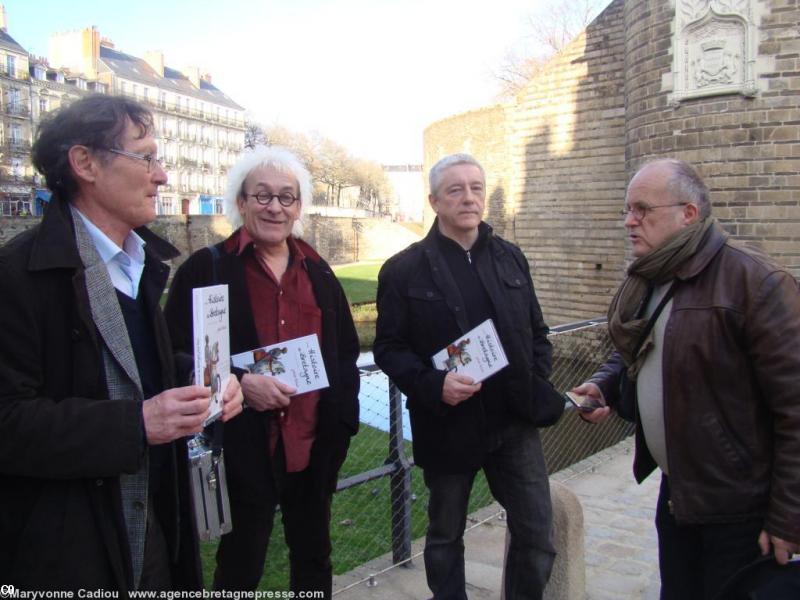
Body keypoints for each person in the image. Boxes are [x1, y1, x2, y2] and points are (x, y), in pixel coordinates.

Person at [0, 94, 243, 593]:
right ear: (85, 163)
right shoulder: (17, 276)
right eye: (146, 157)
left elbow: (135, 367)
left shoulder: (138, 266)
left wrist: (201, 378)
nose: (162, 176)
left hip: (155, 527)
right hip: (70, 554)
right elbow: (8, 421)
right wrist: (137, 423)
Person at [573, 158, 800, 600]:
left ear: (688, 214)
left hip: (739, 507)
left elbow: (795, 408)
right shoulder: (655, 275)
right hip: (679, 492)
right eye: (627, 209)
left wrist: (789, 515)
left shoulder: (756, 282)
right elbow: (638, 349)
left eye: (642, 210)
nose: (629, 221)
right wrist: (604, 384)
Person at [164, 145, 360, 597]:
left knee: (314, 559)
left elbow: (344, 356)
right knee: (240, 565)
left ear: (298, 207)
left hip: (311, 446)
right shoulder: (207, 268)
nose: (275, 207)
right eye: (263, 195)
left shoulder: (319, 272)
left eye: (286, 197)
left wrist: (343, 427)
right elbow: (171, 354)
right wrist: (236, 380)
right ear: (241, 202)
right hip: (241, 449)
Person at [373, 153, 555, 600]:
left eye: (476, 187)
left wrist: (536, 380)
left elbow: (537, 333)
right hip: (449, 424)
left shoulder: (511, 257)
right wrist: (434, 385)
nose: (469, 198)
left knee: (537, 534)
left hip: (514, 421)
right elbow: (389, 348)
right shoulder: (403, 270)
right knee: (445, 537)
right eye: (455, 190)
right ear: (435, 201)